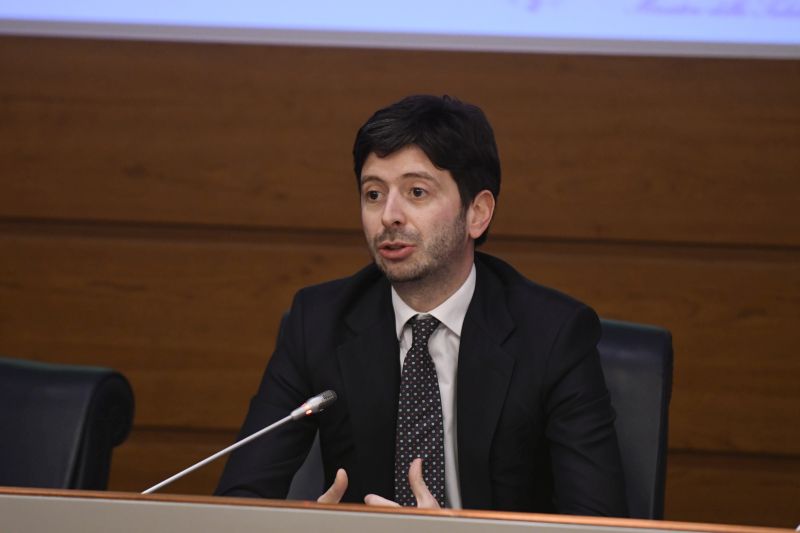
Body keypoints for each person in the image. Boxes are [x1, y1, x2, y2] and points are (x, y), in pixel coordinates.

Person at [215, 94, 628, 516]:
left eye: (416, 192)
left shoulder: (553, 335)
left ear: (477, 213)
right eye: (373, 194)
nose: (389, 215)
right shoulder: (318, 323)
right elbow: (237, 502)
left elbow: (598, 522)